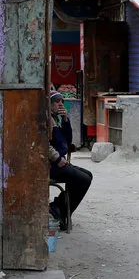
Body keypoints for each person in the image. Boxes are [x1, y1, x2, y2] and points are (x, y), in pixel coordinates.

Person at [49, 90, 93, 230]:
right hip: (52, 165)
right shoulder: (46, 119)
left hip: (59, 162)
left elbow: (68, 139)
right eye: (57, 101)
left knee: (88, 175)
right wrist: (57, 159)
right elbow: (43, 144)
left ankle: (59, 208)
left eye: (62, 101)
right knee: (83, 180)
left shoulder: (56, 119)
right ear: (49, 104)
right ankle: (58, 209)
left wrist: (66, 119)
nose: (60, 104)